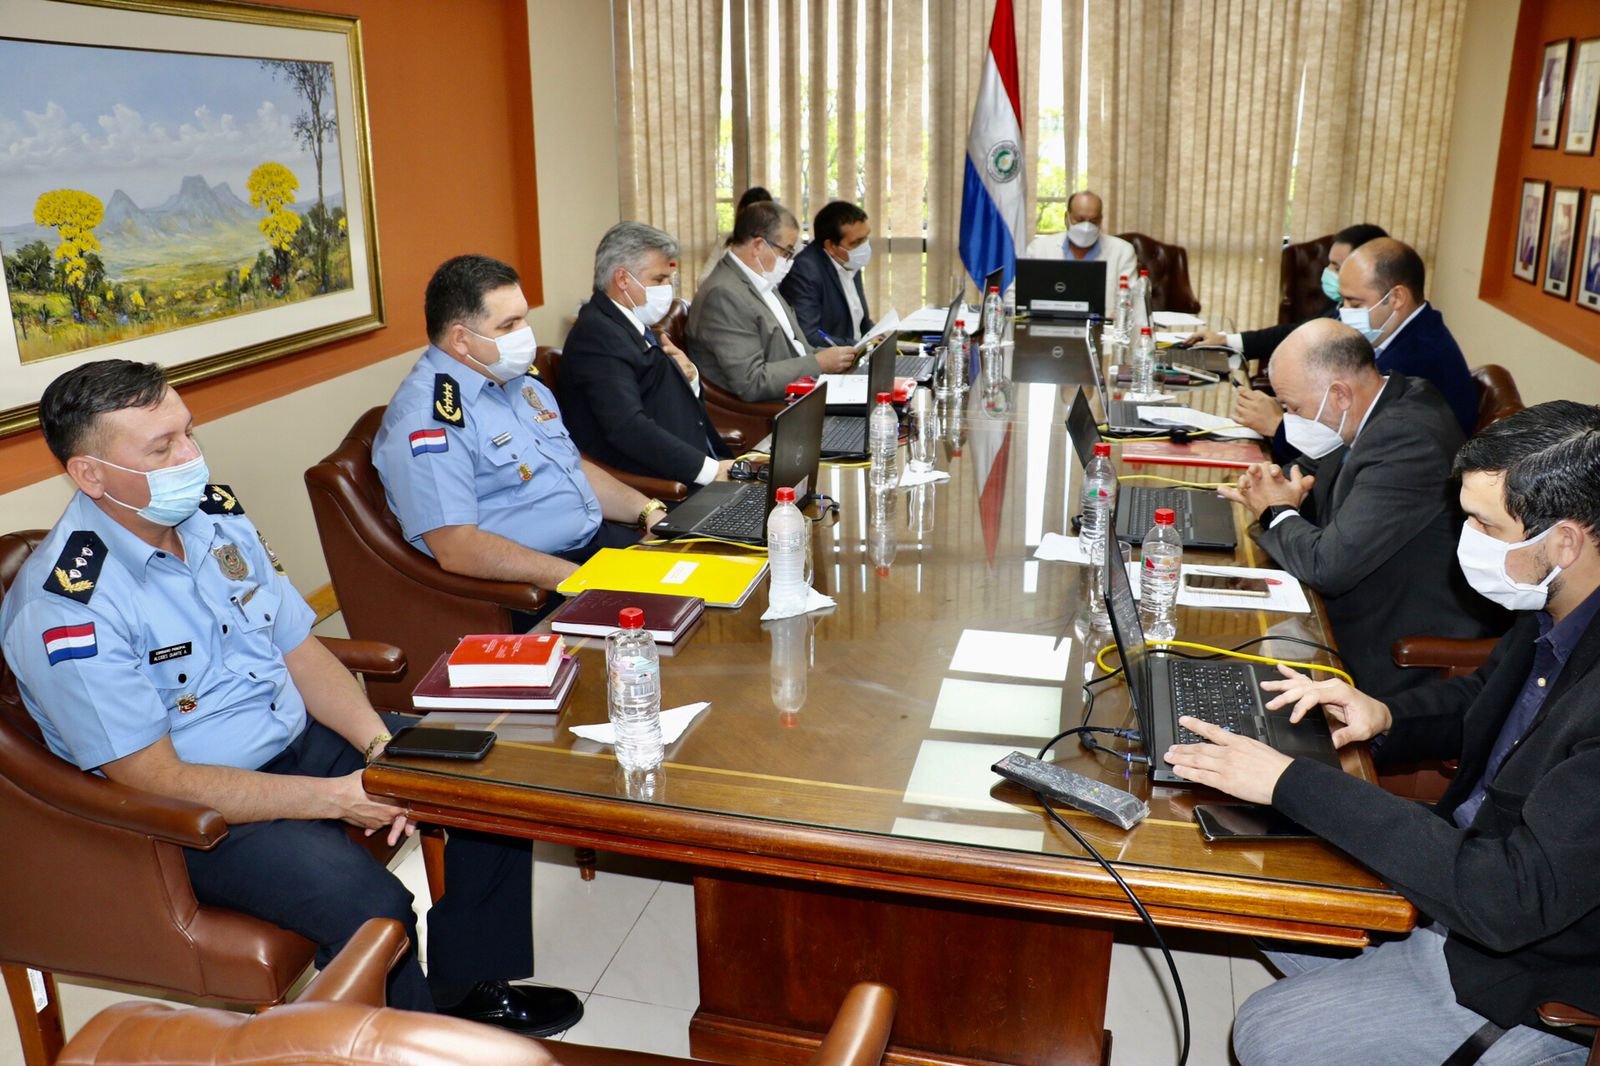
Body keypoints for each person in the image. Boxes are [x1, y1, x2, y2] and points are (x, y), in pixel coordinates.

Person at [0, 360, 582, 1035]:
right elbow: (154, 778)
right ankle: (402, 1048)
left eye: (188, 433)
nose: (191, 456)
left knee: (483, 774)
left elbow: (300, 650)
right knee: (374, 906)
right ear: (89, 475)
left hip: (297, 736)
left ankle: (465, 990)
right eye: (161, 448)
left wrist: (378, 747)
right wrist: (339, 798)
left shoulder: (214, 517)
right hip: (193, 813)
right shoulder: (68, 605)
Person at [1168, 400, 1600, 1066]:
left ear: (1565, 541)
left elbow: (1513, 897)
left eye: (1485, 524)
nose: (1468, 541)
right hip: (1467, 864)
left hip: (1524, 962)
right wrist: (1383, 716)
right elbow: (1483, 704)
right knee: (1254, 874)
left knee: (1266, 1032)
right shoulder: (1558, 601)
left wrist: (1292, 781)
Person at [1217, 319, 1505, 696]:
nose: (1288, 419)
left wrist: (1275, 511)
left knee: (1226, 669)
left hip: (1389, 645)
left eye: (1292, 407)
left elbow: (1328, 567)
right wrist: (1277, 484)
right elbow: (1306, 472)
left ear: (1339, 395)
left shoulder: (1407, 439)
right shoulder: (1385, 401)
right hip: (1353, 606)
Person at [372, 255, 670, 593]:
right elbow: (457, 547)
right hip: (533, 587)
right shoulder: (430, 417)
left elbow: (569, 467)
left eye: (523, 319)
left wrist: (648, 511)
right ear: (460, 339)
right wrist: (580, 580)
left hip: (597, 546)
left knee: (708, 574)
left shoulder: (515, 380)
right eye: (508, 325)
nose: (524, 333)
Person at [559, 221, 734, 487]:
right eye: (658, 279)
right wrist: (710, 471)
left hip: (695, 466)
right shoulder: (597, 335)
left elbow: (659, 395)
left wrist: (691, 376)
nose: (667, 289)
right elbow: (627, 427)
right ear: (622, 279)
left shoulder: (628, 322)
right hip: (662, 485)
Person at [684, 201, 856, 401]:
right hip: (769, 412)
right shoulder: (723, 294)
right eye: (787, 252)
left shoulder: (761, 279)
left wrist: (841, 357)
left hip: (802, 392)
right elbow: (752, 382)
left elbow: (797, 348)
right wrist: (819, 363)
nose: (789, 261)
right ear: (758, 245)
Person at [1187, 222, 1387, 368]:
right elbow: (1298, 332)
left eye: (1336, 266)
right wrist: (1228, 341)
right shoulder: (1339, 303)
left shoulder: (1376, 317)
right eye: (1329, 263)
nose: (1328, 272)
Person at [1021, 190, 1138, 315]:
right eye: (1079, 219)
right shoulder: (1039, 248)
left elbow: (1133, 302)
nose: (1086, 227)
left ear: (1101, 220)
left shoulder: (1123, 251)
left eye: (1093, 221)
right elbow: (1014, 295)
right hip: (1047, 327)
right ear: (1067, 218)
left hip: (1102, 329)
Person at [779, 200, 874, 347]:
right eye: (857, 242)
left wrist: (877, 336)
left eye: (866, 237)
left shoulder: (850, 260)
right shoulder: (805, 271)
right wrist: (858, 346)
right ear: (830, 246)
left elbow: (858, 320)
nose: (864, 246)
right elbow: (808, 335)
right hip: (830, 364)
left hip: (858, 357)